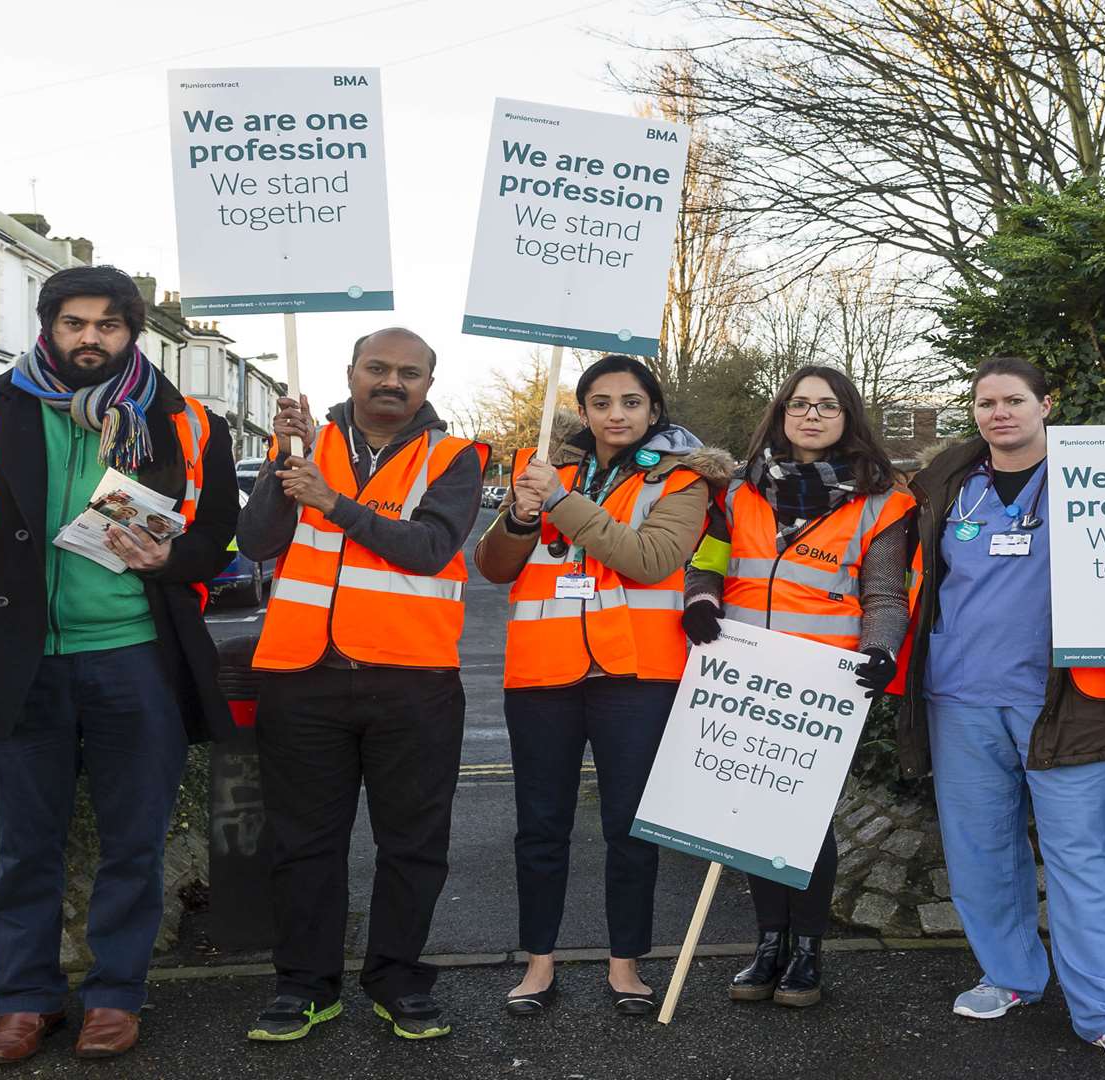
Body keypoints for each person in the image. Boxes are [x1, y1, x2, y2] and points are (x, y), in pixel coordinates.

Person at [0, 266, 238, 1065]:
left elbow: (218, 541)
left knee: (133, 844)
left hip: (136, 661)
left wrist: (169, 556)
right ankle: (25, 1002)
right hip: (19, 665)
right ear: (50, 326)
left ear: (132, 334)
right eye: (76, 323)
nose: (91, 338)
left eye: (108, 326)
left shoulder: (186, 422)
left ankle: (115, 997)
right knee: (25, 846)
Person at [896, 356, 1105, 1071]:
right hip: (960, 694)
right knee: (981, 850)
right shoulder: (946, 486)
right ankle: (1011, 976)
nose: (999, 413)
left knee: (1084, 858)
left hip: (1071, 700)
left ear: (1047, 404)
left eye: (1014, 400)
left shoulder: (1099, 478)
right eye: (986, 402)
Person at [234, 328, 486, 1042]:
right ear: (350, 372)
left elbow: (431, 549)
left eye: (409, 372)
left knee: (413, 845)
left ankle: (398, 978)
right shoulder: (304, 446)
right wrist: (285, 468)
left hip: (413, 680)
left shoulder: (454, 457)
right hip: (303, 676)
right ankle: (305, 986)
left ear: (428, 386)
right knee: (304, 844)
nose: (391, 381)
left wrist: (335, 502)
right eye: (377, 367)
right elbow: (256, 542)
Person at [474, 354, 731, 1016]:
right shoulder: (542, 468)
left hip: (637, 676)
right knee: (539, 827)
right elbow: (495, 567)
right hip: (540, 673)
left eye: (631, 402)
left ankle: (626, 967)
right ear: (583, 411)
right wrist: (524, 518)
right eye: (601, 402)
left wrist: (560, 502)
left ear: (654, 410)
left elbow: (650, 561)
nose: (616, 414)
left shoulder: (684, 480)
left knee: (629, 828)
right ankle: (538, 964)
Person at [682, 365, 915, 1008]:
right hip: (743, 675)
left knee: (804, 818)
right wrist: (700, 600)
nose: (812, 416)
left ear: (849, 418)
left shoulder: (882, 500)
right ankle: (769, 944)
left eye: (829, 407)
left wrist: (881, 650)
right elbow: (705, 562)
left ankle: (807, 951)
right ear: (781, 413)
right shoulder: (734, 492)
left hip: (822, 683)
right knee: (752, 818)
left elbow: (886, 594)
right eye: (800, 404)